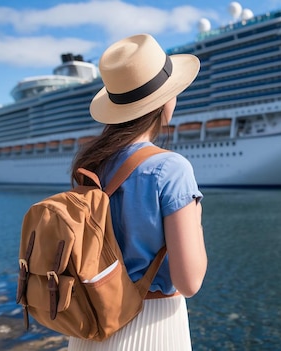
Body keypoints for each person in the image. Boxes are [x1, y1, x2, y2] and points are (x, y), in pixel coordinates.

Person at [67, 34, 207, 351]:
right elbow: (190, 282)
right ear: (164, 100)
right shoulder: (172, 168)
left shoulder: (90, 165)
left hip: (89, 327)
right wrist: (195, 218)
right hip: (153, 329)